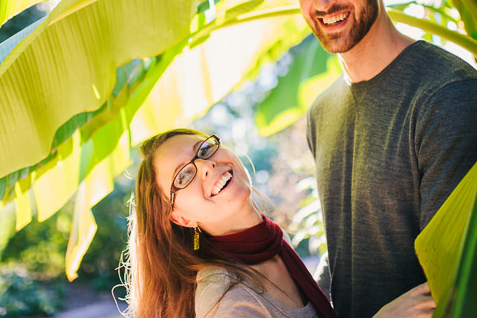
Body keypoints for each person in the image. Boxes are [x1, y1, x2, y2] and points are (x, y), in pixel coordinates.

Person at [283, 0, 477, 318]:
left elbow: (455, 274)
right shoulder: (322, 112)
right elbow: (344, 252)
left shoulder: (447, 96)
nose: (323, 0)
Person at [121, 128, 436, 318]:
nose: (206, 165)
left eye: (204, 149)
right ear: (181, 218)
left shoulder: (268, 246)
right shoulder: (226, 302)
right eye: (184, 176)